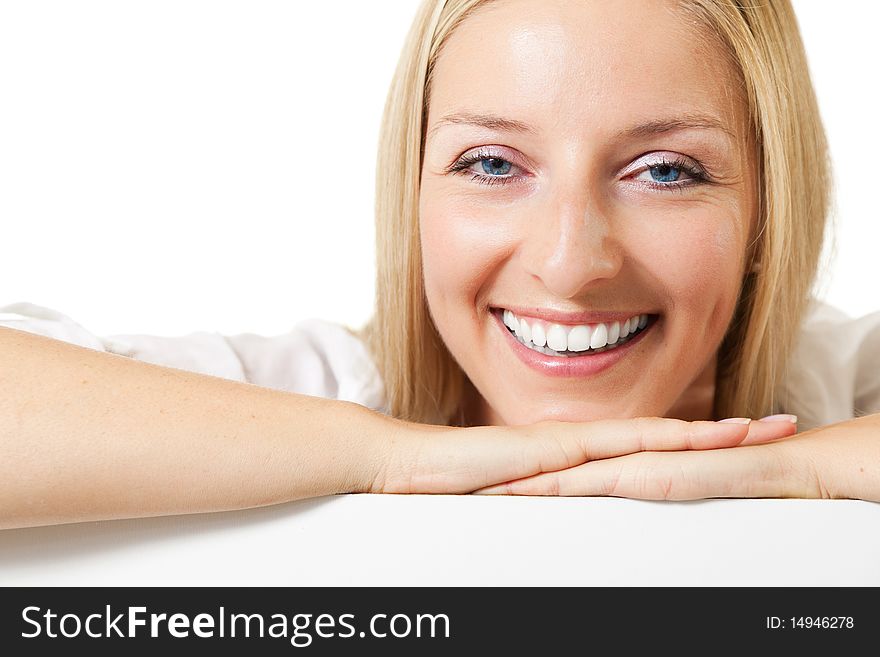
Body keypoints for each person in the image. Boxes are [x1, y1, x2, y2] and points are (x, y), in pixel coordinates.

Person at [1, 0, 878, 531]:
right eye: (493, 164)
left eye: (665, 171)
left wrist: (787, 471)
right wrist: (389, 458)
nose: (570, 264)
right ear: (413, 194)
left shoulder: (842, 388)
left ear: (767, 205)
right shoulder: (328, 391)